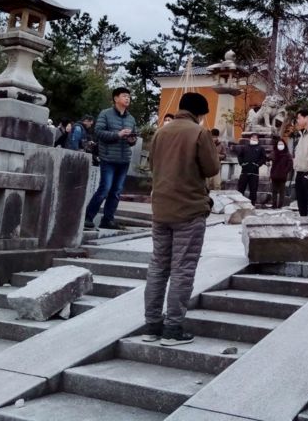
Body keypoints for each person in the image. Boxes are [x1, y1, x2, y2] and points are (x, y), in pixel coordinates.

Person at [144, 92, 219, 346]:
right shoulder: (199, 133)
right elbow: (211, 168)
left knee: (158, 267)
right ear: (200, 113)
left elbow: (153, 166)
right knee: (182, 269)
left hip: (161, 210)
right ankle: (172, 328)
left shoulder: (160, 132)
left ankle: (152, 325)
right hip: (189, 210)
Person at [84, 87, 137, 230]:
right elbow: (98, 132)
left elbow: (134, 137)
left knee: (116, 191)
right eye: (124, 96)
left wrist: (132, 140)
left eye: (129, 96)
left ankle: (108, 219)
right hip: (108, 158)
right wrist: (118, 135)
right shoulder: (105, 114)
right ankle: (88, 217)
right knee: (105, 188)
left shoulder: (131, 118)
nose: (127, 98)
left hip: (124, 159)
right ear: (116, 98)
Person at [237, 133, 267, 205]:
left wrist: (258, 164)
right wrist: (242, 163)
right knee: (241, 189)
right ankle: (239, 203)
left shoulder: (260, 148)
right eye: (252, 137)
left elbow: (263, 158)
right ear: (250, 139)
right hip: (244, 171)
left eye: (255, 138)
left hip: (254, 172)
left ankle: (252, 204)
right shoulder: (245, 147)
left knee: (253, 190)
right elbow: (240, 156)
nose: (254, 139)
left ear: (258, 140)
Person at [270, 137, 293, 209]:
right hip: (274, 174)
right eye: (279, 144)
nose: (280, 145)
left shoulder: (287, 154)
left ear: (284, 145)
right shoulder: (274, 153)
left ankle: (280, 205)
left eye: (281, 144)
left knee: (282, 191)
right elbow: (269, 160)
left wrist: (285, 171)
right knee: (274, 191)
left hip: (283, 175)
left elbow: (290, 165)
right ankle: (274, 204)